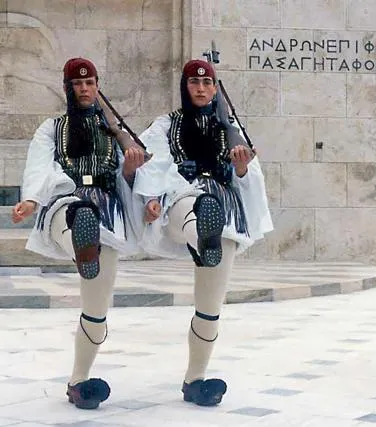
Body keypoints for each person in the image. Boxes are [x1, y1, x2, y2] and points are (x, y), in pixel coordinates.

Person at [131, 59, 273, 406]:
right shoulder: (169, 124)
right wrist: (151, 198)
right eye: (194, 83)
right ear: (185, 87)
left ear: (214, 88)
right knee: (195, 210)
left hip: (224, 209)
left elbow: (251, 179)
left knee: (210, 306)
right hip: (183, 196)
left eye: (207, 83)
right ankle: (202, 236)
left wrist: (242, 168)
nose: (200, 89)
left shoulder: (232, 128)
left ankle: (195, 380)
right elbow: (154, 163)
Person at [11, 57, 147, 410]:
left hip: (107, 214)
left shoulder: (111, 131)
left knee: (97, 310)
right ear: (68, 89)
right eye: (77, 84)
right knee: (76, 213)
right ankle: (80, 238)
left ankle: (78, 382)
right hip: (65, 203)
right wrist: (30, 200)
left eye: (89, 83)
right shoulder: (53, 128)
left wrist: (132, 170)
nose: (84, 89)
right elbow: (39, 166)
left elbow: (130, 178)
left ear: (97, 86)